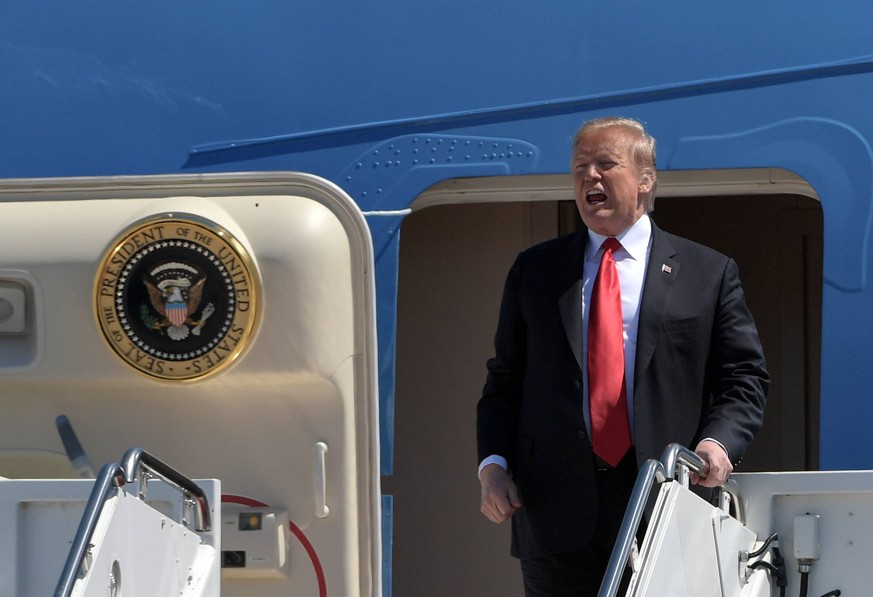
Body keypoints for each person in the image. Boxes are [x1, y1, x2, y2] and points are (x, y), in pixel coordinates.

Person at [476, 116, 769, 596]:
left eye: (605, 164)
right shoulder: (537, 271)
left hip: (668, 503)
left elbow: (745, 378)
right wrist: (492, 467)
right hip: (554, 513)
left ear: (646, 180)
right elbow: (504, 380)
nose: (590, 177)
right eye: (579, 168)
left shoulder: (707, 272)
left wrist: (717, 445)